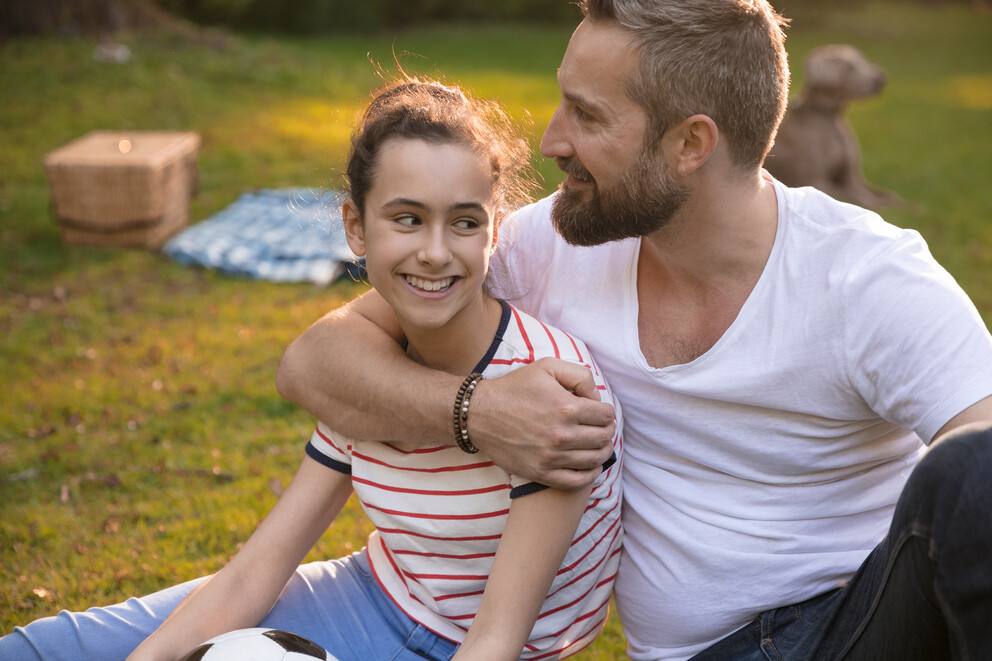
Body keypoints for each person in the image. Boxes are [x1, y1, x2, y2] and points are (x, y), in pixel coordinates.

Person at [273, 1, 992, 660]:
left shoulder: (865, 278)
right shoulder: (552, 243)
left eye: (586, 116)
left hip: (847, 633)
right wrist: (477, 411)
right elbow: (313, 363)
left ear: (690, 144)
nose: (551, 140)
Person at [0, 79, 623, 661]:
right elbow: (252, 575)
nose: (435, 252)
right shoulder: (369, 371)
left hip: (480, 646)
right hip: (374, 596)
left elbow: (496, 641)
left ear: (494, 235)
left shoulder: (554, 388)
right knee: (49, 647)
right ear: (355, 227)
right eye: (406, 218)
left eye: (464, 222)